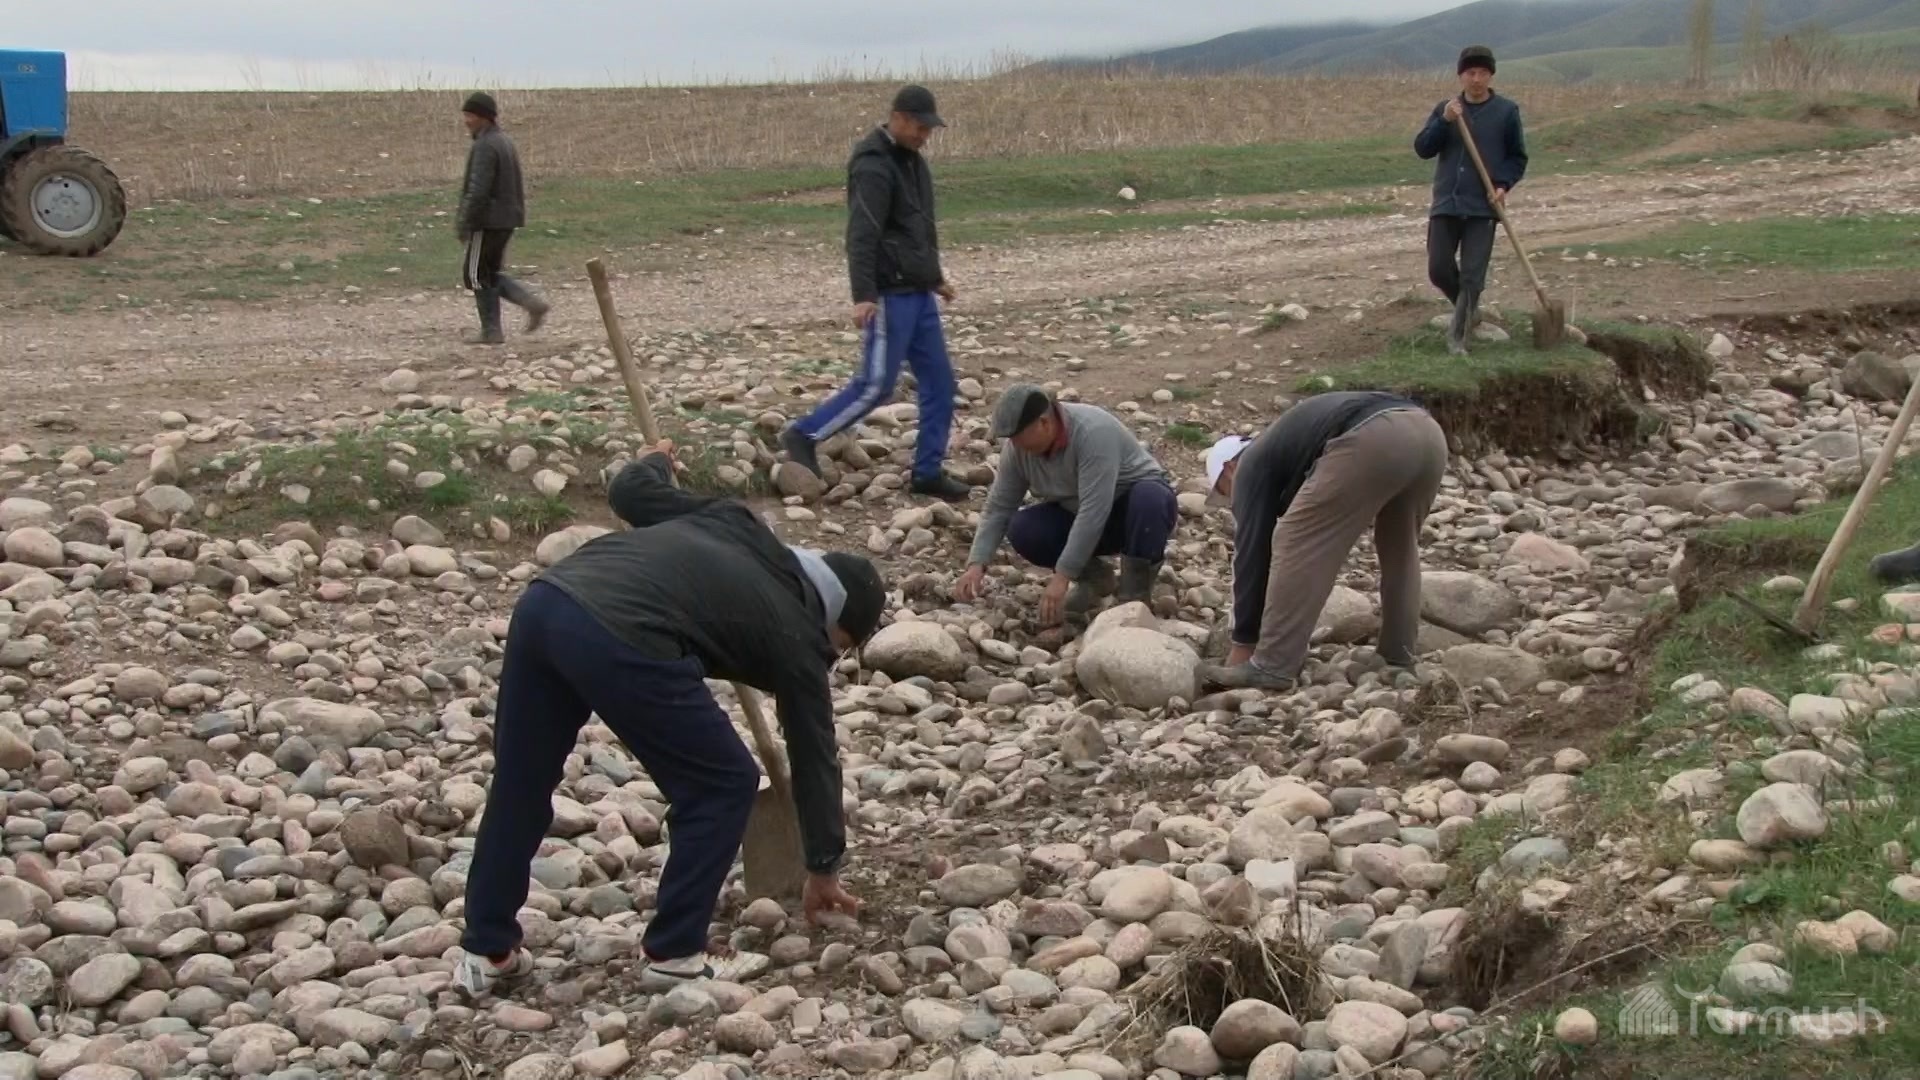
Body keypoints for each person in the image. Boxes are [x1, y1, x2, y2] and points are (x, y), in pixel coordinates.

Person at [453, 443, 880, 997]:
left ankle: (487, 948)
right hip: (622, 630)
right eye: (839, 647)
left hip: (546, 603)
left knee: (521, 782)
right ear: (837, 619)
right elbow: (814, 753)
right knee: (723, 782)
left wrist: (654, 460)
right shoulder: (800, 636)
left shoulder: (732, 521)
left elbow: (630, 492)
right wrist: (823, 866)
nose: (830, 659)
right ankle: (675, 952)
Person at [781, 85, 971, 502]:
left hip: (918, 292)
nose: (925, 136)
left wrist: (934, 276)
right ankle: (804, 434)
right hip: (889, 294)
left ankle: (928, 471)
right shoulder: (873, 164)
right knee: (877, 384)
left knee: (940, 382)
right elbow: (863, 232)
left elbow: (920, 227)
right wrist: (864, 294)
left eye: (929, 129)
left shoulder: (914, 162)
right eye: (920, 127)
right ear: (898, 118)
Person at [1196, 392, 1448, 692]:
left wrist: (1243, 642)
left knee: (1293, 537)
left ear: (1229, 469)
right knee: (1400, 547)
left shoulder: (1249, 464)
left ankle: (1272, 665)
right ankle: (1398, 656)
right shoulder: (1286, 449)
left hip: (1374, 437)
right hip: (1427, 434)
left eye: (1224, 491)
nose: (1231, 500)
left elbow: (1252, 553)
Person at [953, 385, 1178, 625]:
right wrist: (977, 564)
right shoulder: (1017, 449)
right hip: (1079, 514)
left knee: (1150, 498)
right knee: (1024, 528)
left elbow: (1094, 512)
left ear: (1044, 422)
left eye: (1018, 436)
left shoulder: (1093, 433)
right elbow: (999, 507)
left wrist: (1062, 577)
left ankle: (1134, 598)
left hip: (1130, 516)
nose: (1014, 445)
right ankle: (1096, 579)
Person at [1414, 46, 1527, 356]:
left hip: (1483, 207)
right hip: (1447, 203)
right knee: (1439, 268)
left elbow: (1517, 157)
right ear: (1461, 75)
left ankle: (1457, 337)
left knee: (1472, 276)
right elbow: (1423, 148)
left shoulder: (1506, 112)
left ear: (1491, 75)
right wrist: (1444, 121)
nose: (1476, 79)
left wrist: (1502, 185)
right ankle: (1468, 313)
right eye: (1470, 73)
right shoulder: (1446, 109)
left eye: (1483, 73)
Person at [457, 91, 549, 346]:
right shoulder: (504, 141)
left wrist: (466, 222)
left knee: (475, 274)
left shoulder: (485, 145)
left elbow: (478, 190)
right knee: (489, 272)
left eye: (470, 115)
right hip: (507, 219)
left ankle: (492, 330)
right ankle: (531, 304)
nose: (466, 121)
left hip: (487, 221)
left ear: (484, 117)